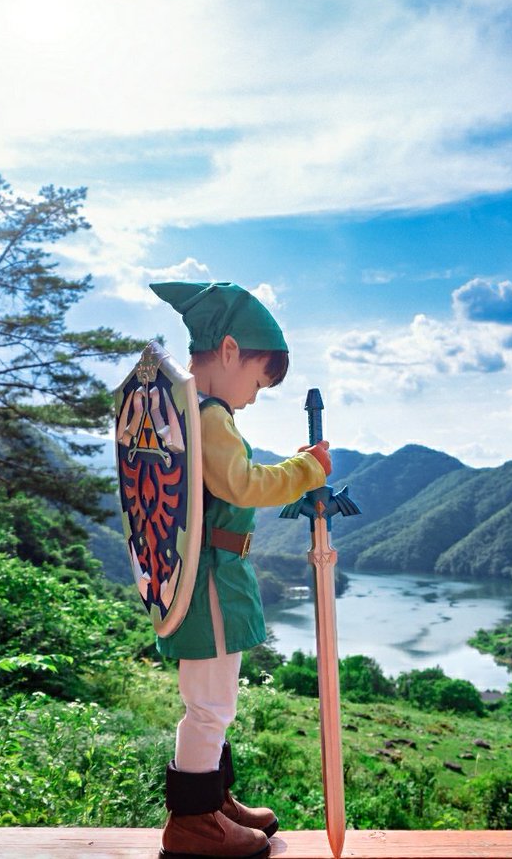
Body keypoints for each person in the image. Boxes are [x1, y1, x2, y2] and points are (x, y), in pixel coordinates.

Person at [150, 282, 331, 859]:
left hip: (208, 572)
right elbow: (243, 484)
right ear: (229, 351)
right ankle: (193, 823)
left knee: (211, 699)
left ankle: (214, 801)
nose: (253, 398)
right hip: (208, 577)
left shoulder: (182, 411)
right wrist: (305, 471)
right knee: (210, 704)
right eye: (257, 383)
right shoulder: (209, 416)